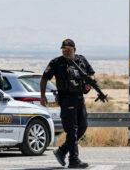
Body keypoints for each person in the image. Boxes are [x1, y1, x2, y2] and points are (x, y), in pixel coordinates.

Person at [40, 39, 94, 169]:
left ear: (74, 50)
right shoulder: (56, 63)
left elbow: (91, 74)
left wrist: (89, 84)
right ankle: (73, 160)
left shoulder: (81, 60)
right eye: (64, 50)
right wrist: (42, 96)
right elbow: (44, 79)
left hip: (80, 98)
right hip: (67, 100)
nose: (66, 52)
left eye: (68, 50)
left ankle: (62, 151)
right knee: (72, 130)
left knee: (83, 126)